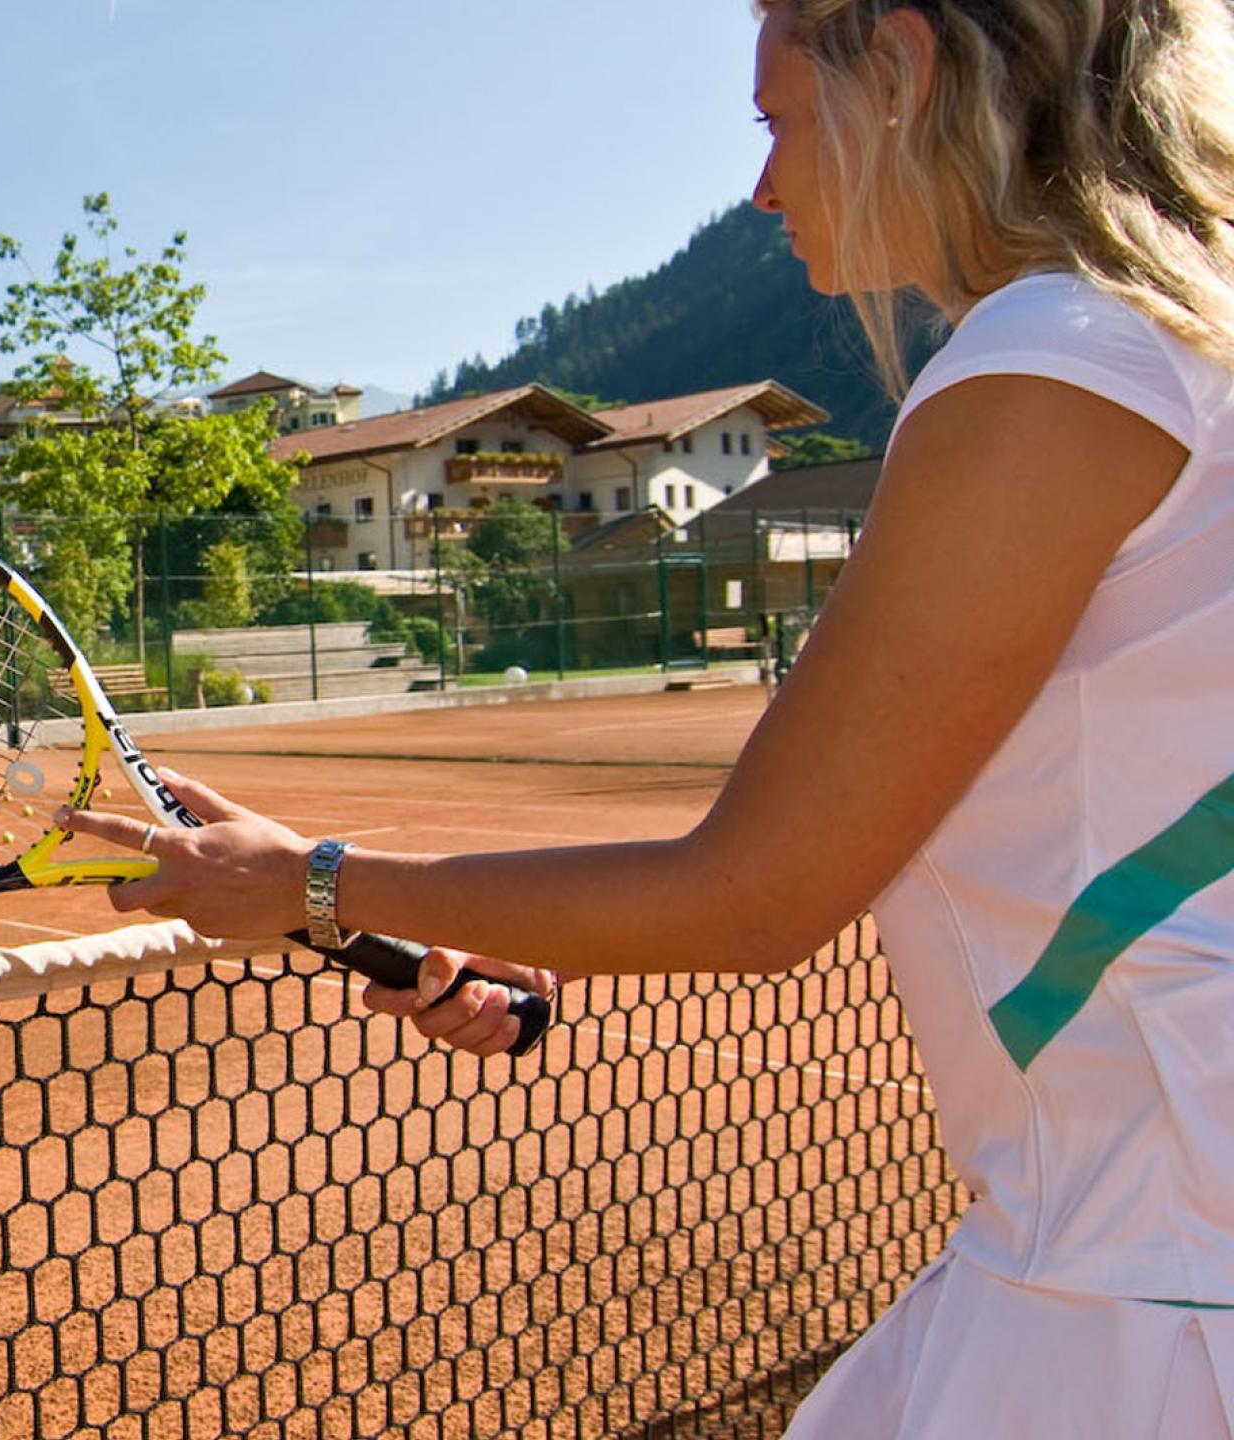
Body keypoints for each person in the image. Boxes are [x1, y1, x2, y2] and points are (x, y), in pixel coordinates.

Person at [61, 1, 1234, 1433]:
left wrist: (306, 884)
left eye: (778, 121)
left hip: (1148, 1277)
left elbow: (756, 895)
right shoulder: (1176, 335)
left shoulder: (1059, 356)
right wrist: (499, 919)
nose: (765, 186)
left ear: (903, 67)